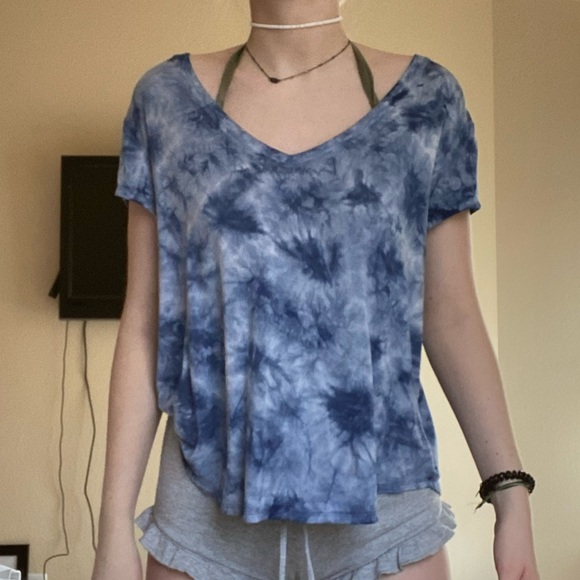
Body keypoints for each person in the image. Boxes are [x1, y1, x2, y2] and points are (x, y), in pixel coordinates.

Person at [91, 1, 540, 579]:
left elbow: (451, 315)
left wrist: (509, 491)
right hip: (204, 524)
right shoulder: (166, 103)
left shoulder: (427, 102)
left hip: (385, 520)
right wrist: (112, 527)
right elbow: (146, 326)